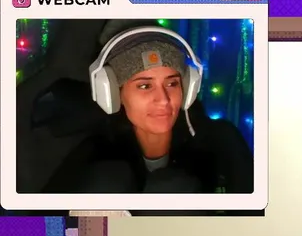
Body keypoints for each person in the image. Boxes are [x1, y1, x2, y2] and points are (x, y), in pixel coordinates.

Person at [41, 23, 253, 197]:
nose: (163, 99)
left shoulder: (222, 141)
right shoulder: (92, 154)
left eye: (172, 83)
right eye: (145, 86)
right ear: (113, 93)